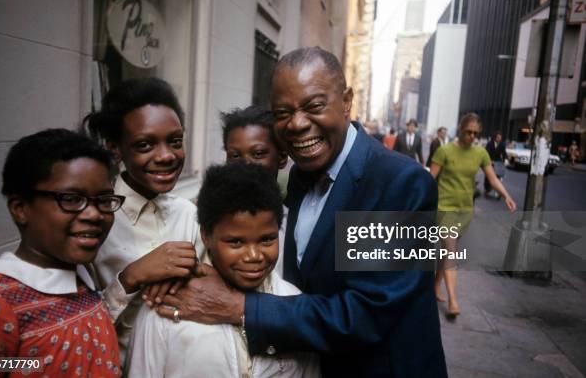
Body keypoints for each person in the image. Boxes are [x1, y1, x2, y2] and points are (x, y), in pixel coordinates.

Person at [160, 47, 447, 377]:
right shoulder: (300, 176)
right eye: (282, 112)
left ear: (347, 100)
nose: (296, 124)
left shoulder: (399, 182)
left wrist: (239, 307)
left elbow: (367, 313)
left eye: (314, 106)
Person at [127, 163, 319, 377]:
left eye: (267, 239)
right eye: (236, 242)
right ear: (206, 236)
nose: (254, 256)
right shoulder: (168, 307)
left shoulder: (293, 302)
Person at [0, 129, 123, 376]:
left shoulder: (81, 275)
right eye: (71, 198)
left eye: (104, 200)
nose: (94, 214)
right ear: (20, 208)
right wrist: (31, 364)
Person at [83, 77, 202, 359]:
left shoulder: (191, 216)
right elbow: (77, 331)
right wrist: (129, 279)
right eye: (145, 145)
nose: (166, 156)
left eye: (175, 141)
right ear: (115, 147)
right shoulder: (93, 221)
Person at [429, 113, 517, 317]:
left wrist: (506, 196)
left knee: (447, 252)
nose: (471, 136)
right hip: (444, 208)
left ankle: (435, 286)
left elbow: (493, 179)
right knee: (451, 251)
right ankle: (453, 301)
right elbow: (430, 178)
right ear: (460, 129)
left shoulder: (480, 154)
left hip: (465, 211)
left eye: (475, 133)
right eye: (468, 131)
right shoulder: (444, 151)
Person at [221, 105, 289, 276]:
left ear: (281, 158)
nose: (246, 164)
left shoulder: (294, 219)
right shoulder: (211, 218)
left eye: (258, 154)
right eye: (235, 155)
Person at [484, 131, 508, 197]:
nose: (499, 139)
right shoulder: (490, 144)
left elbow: (504, 153)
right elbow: (486, 152)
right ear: (495, 137)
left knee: (498, 176)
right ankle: (487, 189)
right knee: (488, 176)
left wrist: (505, 159)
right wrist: (489, 160)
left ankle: (498, 190)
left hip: (498, 162)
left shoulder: (502, 145)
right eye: (498, 137)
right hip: (490, 161)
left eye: (500, 138)